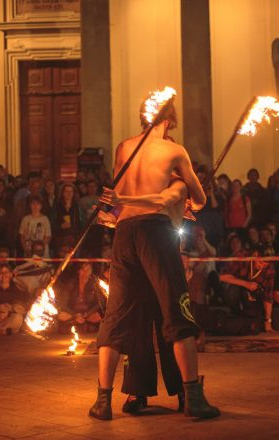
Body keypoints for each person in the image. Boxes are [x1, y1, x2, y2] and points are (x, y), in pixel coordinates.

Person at [89, 95, 219, 420]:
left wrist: (113, 210)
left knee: (116, 316)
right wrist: (190, 198)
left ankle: (102, 401)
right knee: (177, 311)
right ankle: (194, 397)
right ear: (170, 120)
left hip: (124, 233)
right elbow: (200, 200)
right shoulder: (174, 151)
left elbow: (116, 203)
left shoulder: (124, 147)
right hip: (155, 232)